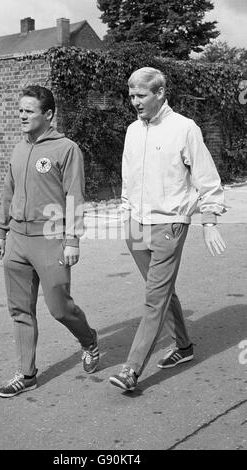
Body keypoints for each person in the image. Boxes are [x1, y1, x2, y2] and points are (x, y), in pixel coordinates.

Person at [109, 67, 226, 392]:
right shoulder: (133, 130)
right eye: (131, 95)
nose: (134, 102)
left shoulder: (184, 129)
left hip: (170, 224)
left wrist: (209, 221)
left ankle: (131, 369)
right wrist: (126, 215)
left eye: (141, 95)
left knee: (154, 297)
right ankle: (184, 347)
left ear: (160, 93)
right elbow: (127, 176)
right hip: (136, 225)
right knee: (161, 291)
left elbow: (207, 179)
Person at [0, 85, 99, 398]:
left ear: (48, 114)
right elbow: (7, 192)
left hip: (51, 239)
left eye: (29, 110)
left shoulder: (66, 149)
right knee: (20, 310)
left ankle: (89, 339)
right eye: (20, 110)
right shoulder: (18, 148)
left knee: (60, 309)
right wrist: (1, 232)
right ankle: (27, 374)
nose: (22, 115)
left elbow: (74, 197)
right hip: (17, 239)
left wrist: (72, 240)